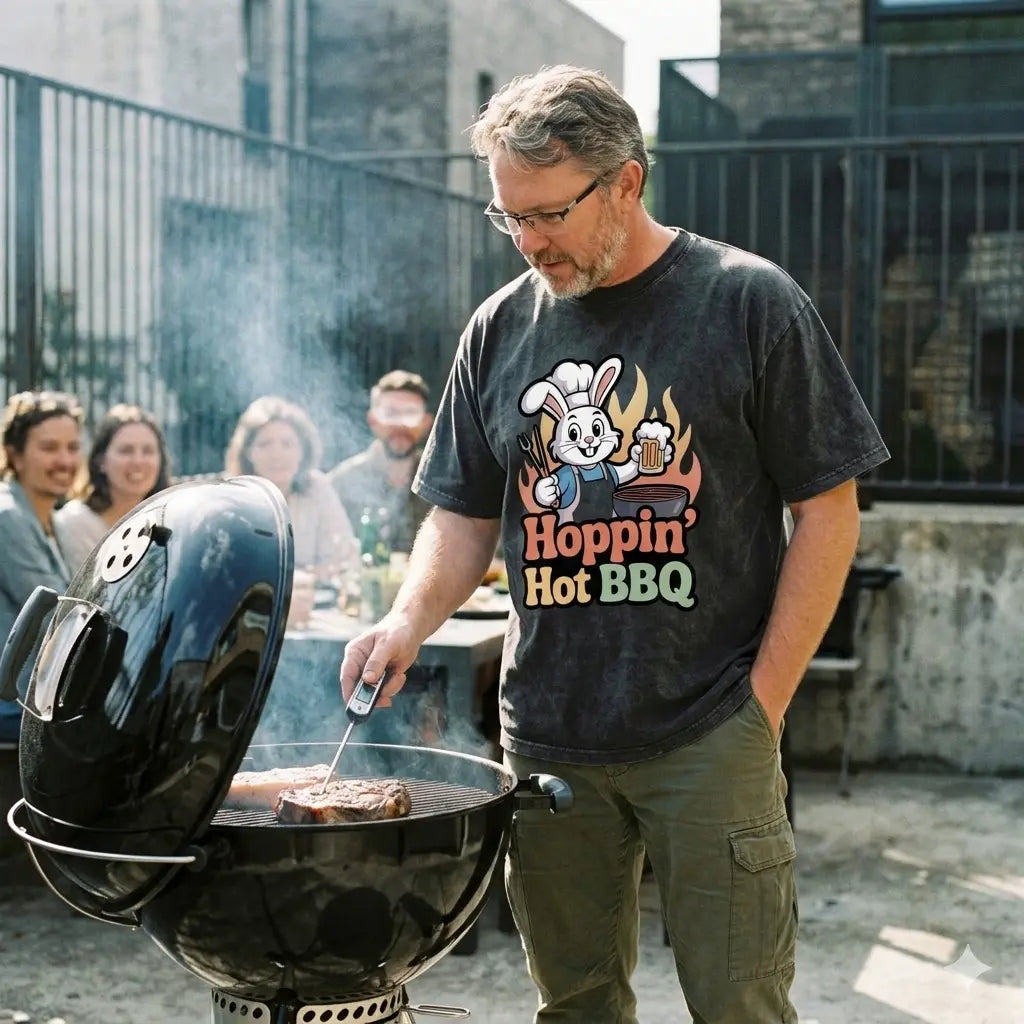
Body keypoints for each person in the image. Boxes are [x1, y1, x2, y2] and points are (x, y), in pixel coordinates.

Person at [340, 65, 890, 1023]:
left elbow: (829, 508)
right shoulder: (498, 329)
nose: (528, 242)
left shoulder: (748, 302)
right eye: (509, 217)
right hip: (549, 737)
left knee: (740, 1006)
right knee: (576, 1006)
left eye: (549, 215)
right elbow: (465, 516)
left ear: (627, 182)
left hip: (709, 726)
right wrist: (405, 621)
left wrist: (764, 702)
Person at [0, 390, 83, 742]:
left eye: (72, 447)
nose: (64, 460)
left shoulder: (51, 521)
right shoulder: (8, 518)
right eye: (49, 448)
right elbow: (60, 618)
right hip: (13, 707)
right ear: (15, 455)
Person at [225, 395, 357, 584]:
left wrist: (321, 573)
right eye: (264, 444)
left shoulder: (319, 490)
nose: (277, 455)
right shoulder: (230, 497)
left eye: (287, 444)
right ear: (247, 452)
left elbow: (344, 556)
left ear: (303, 451)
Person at [54, 403, 172, 573]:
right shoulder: (75, 523)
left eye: (148, 451)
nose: (138, 461)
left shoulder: (171, 523)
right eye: (126, 451)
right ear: (101, 461)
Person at [327, 370, 434, 554]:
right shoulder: (340, 483)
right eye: (390, 413)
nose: (400, 424)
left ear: (426, 422)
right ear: (373, 420)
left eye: (411, 413)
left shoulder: (444, 483)